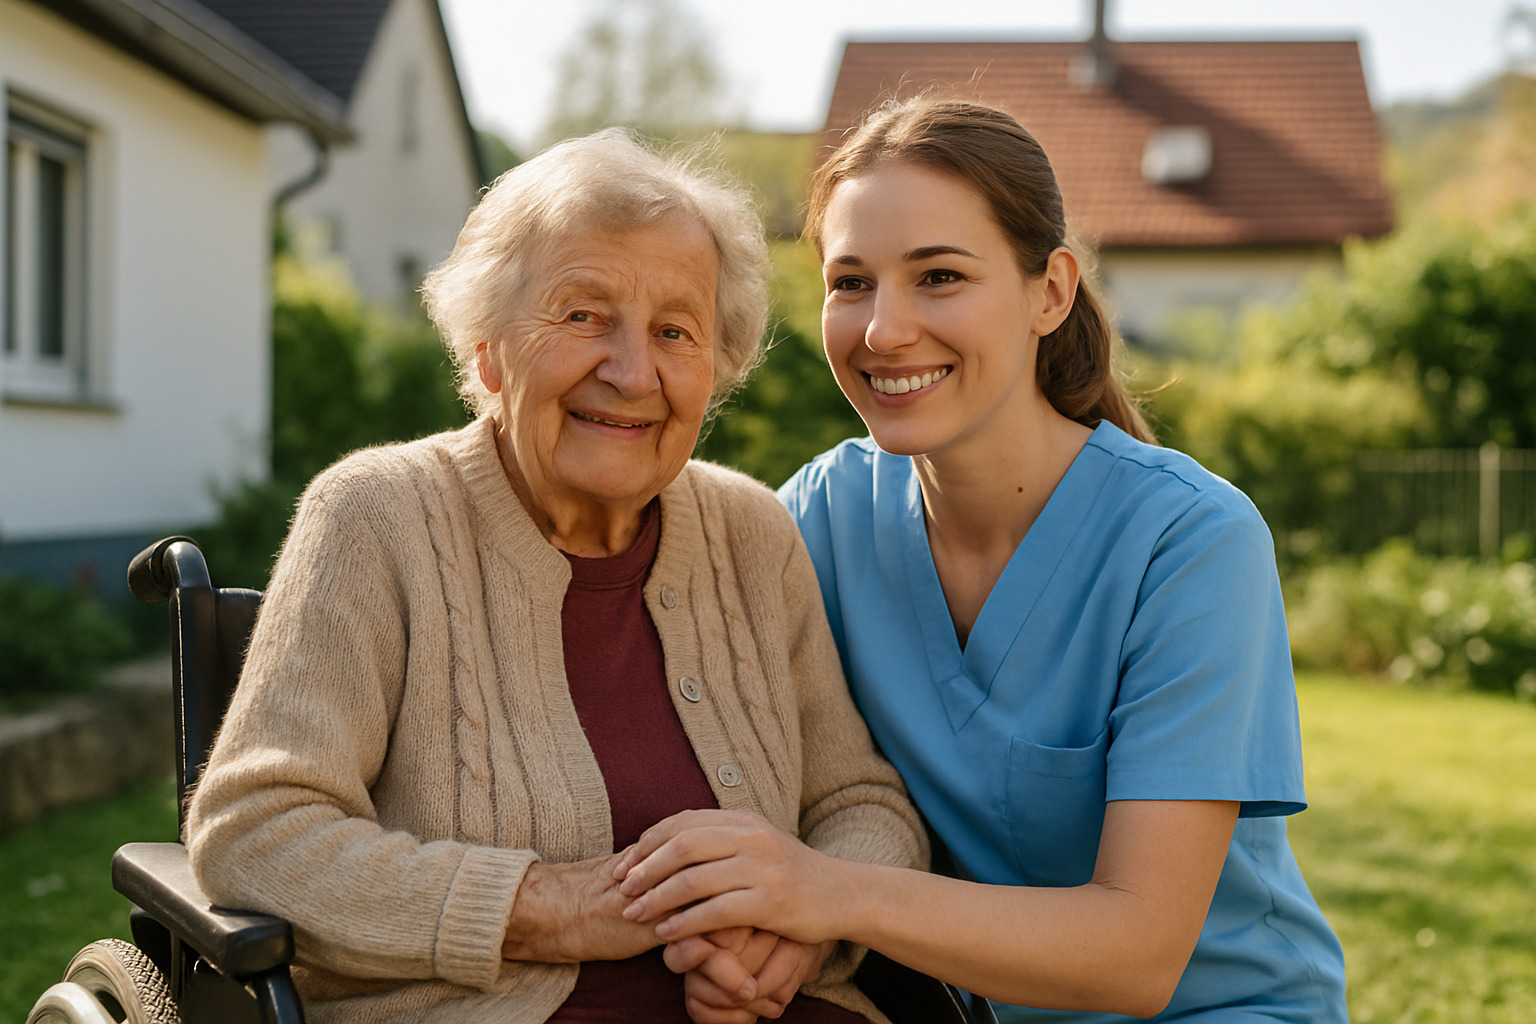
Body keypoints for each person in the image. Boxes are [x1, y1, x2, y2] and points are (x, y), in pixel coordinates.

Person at [613, 97, 1350, 1023]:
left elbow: (1140, 955)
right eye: (852, 283)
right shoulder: (819, 517)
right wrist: (765, 943)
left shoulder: (1192, 542)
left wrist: (825, 894)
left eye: (940, 277)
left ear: (1051, 292)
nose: (884, 330)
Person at [186, 129, 927, 1024]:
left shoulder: (752, 533)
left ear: (713, 373)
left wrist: (802, 930)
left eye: (674, 332)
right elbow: (257, 833)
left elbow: (861, 801)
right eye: (583, 316)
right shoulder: (375, 516)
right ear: (488, 351)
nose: (630, 371)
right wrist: (549, 908)